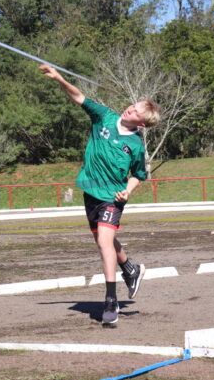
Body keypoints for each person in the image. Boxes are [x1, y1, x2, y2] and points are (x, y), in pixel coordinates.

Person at [39, 64, 161, 326]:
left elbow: (139, 174)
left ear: (141, 122)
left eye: (137, 110)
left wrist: (127, 191)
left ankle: (110, 299)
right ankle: (130, 268)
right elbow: (78, 96)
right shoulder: (104, 116)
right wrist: (59, 77)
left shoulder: (135, 145)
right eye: (133, 104)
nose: (131, 108)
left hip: (112, 197)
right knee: (104, 243)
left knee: (105, 244)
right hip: (91, 191)